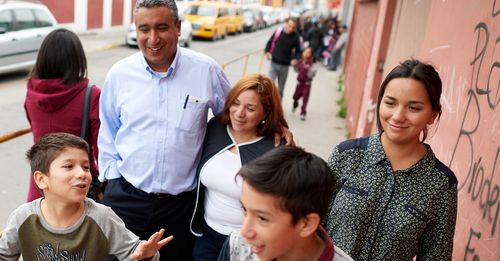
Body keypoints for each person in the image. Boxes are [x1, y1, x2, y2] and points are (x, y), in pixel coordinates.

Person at [324, 59, 458, 260]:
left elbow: (436, 256)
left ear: (433, 115)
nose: (397, 116)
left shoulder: (441, 184)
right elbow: (309, 224)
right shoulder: (347, 156)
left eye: (413, 108)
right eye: (390, 103)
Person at [0, 133, 171, 260]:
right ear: (41, 179)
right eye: (69, 166)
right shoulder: (23, 217)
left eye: (86, 167)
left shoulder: (101, 216)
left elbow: (133, 251)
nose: (82, 174)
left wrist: (147, 253)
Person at [190, 74, 288, 260]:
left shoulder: (277, 148)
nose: (239, 113)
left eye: (250, 108)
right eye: (235, 103)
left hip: (249, 245)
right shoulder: (215, 128)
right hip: (206, 237)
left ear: (266, 112)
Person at [217, 146, 354, 261]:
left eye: (262, 218)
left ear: (306, 224)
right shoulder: (236, 247)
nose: (244, 231)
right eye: (245, 210)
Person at [24, 28, 100, 202]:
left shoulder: (31, 93)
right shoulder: (91, 95)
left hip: (40, 186)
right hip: (74, 188)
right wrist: (96, 179)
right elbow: (99, 148)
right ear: (77, 60)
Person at [264, 17, 302, 98]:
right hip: (273, 63)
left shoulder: (296, 36)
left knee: (280, 89)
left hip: (285, 66)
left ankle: (278, 107)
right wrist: (267, 52)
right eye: (289, 26)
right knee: (269, 86)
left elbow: (298, 51)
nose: (291, 28)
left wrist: (295, 59)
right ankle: (268, 107)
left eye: (293, 27)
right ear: (286, 24)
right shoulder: (278, 31)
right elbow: (269, 43)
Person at [292, 47, 317, 121]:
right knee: (295, 97)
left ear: (311, 55)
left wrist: (308, 69)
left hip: (306, 84)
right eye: (305, 51)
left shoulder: (312, 64)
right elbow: (296, 70)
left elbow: (312, 75)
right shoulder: (300, 61)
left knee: (305, 100)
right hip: (299, 84)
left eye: (308, 52)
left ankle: (303, 113)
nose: (306, 53)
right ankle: (295, 104)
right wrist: (294, 65)